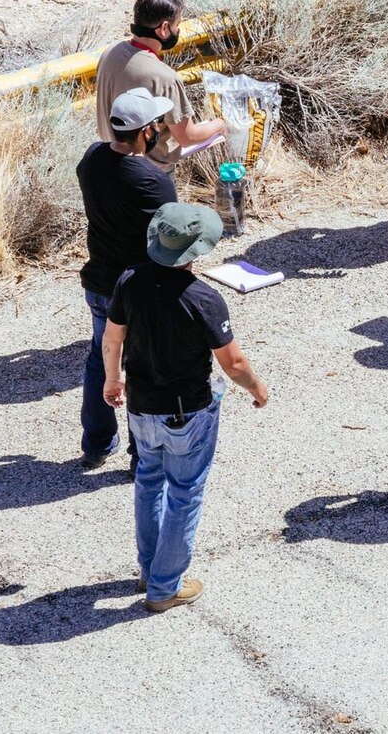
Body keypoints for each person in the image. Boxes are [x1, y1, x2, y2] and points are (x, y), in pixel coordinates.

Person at [103, 202, 269, 613]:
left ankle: (149, 567)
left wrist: (113, 378)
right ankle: (164, 587)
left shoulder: (129, 281)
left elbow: (112, 339)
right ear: (197, 251)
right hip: (187, 412)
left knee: (148, 481)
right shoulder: (204, 299)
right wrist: (257, 389)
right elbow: (233, 364)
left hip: (141, 408)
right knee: (184, 493)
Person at [73, 88, 177, 469]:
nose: (162, 130)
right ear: (146, 131)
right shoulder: (153, 182)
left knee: (101, 361)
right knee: (141, 370)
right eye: (158, 125)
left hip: (99, 281)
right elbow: (170, 241)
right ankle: (142, 456)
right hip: (137, 292)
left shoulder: (91, 159)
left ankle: (97, 444)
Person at [94, 0, 226, 171]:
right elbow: (187, 137)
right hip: (149, 173)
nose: (178, 30)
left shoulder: (110, 53)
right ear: (164, 28)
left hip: (112, 162)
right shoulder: (164, 78)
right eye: (176, 25)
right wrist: (218, 125)